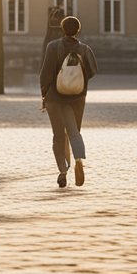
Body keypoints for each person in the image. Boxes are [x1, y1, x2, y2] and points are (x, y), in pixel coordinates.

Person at [39, 15, 98, 188]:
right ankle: (79, 159)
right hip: (77, 98)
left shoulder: (52, 47)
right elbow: (93, 71)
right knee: (74, 133)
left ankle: (63, 172)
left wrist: (44, 95)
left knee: (58, 136)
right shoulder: (85, 49)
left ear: (62, 29)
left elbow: (45, 74)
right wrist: (78, 78)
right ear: (78, 30)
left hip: (54, 98)